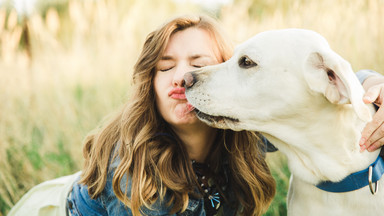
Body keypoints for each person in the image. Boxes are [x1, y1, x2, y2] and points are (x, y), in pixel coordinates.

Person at [8, 14, 384, 216]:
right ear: (148, 85)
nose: (184, 78)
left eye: (200, 64)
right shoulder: (133, 175)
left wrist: (372, 85)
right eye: (164, 66)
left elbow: (333, 91)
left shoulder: (246, 129)